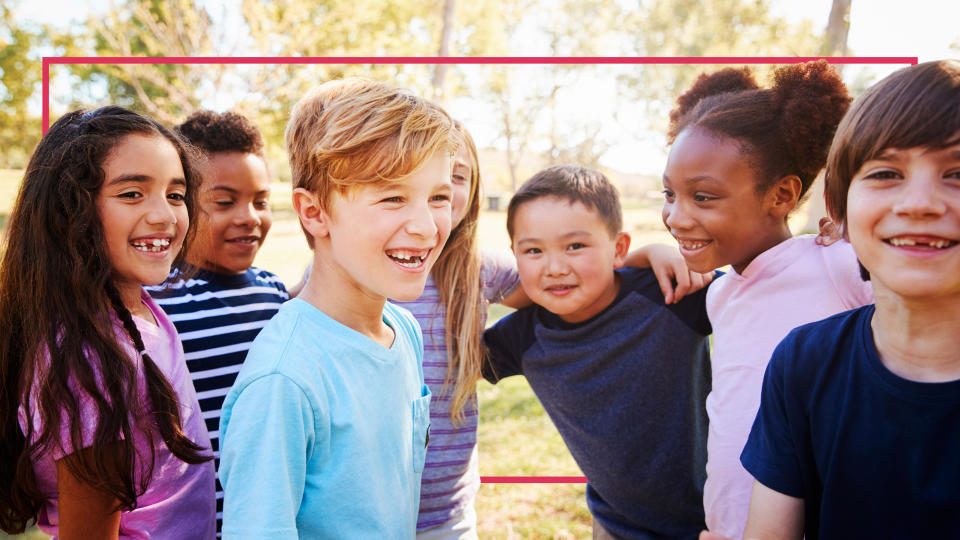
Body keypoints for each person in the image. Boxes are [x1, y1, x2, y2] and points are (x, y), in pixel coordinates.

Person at [705, 58, 960, 540]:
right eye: (886, 173)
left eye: (958, 172)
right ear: (837, 214)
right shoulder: (803, 363)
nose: (920, 202)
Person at [218, 78, 453, 539]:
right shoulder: (283, 382)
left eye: (438, 197)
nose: (427, 226)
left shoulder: (403, 329)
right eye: (392, 198)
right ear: (313, 213)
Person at [661, 61, 874, 539]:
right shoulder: (721, 293)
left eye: (703, 197)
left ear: (781, 195)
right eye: (670, 193)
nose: (676, 216)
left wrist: (862, 236)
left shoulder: (835, 265)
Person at [0, 106, 215, 538]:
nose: (165, 216)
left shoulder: (134, 305)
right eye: (132, 194)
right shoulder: (86, 361)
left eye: (176, 194)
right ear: (70, 211)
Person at [483, 165, 714, 540]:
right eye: (534, 251)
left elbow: (759, 287)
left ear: (618, 248)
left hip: (714, 520)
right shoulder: (522, 337)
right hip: (614, 525)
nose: (556, 267)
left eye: (575, 246)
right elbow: (445, 360)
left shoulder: (669, 293)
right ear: (515, 255)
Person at [146, 110, 289, 536]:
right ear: (183, 203)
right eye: (224, 202)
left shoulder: (276, 294)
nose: (249, 217)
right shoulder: (155, 300)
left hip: (266, 519)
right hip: (185, 523)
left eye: (261, 201)